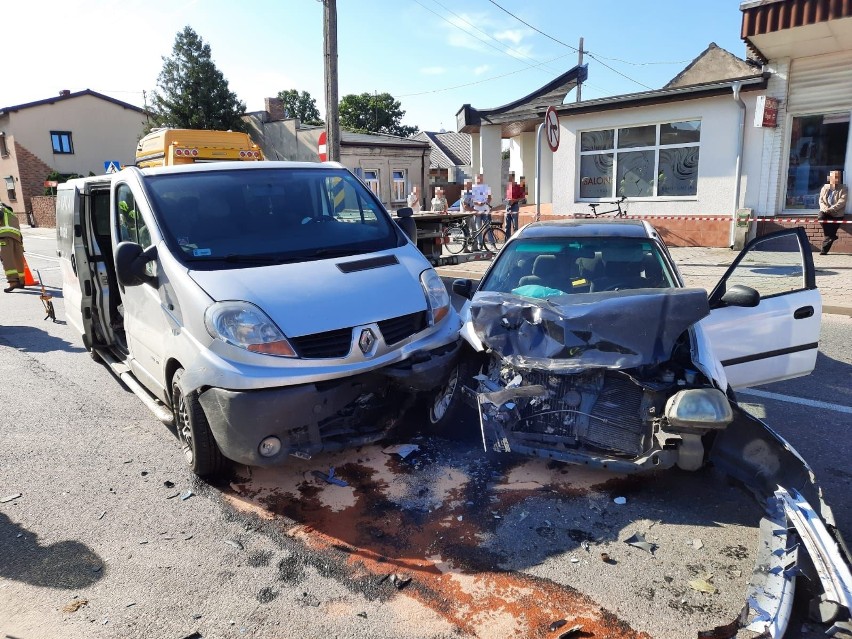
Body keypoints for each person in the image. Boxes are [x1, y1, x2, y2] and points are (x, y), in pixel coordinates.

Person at [818, 170, 847, 255]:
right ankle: (831, 236)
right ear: (829, 178)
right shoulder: (825, 187)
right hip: (826, 212)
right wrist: (825, 208)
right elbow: (821, 200)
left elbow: (842, 202)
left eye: (837, 177)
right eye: (834, 177)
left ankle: (824, 251)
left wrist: (831, 209)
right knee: (820, 216)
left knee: (830, 234)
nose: (835, 179)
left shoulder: (843, 188)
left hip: (837, 214)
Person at [0, 202, 26, 293]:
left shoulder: (1, 209)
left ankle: (13, 282)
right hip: (17, 238)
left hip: (5, 237)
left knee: (7, 260)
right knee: (17, 260)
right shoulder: (11, 214)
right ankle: (21, 281)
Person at [470, 174, 492, 250]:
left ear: (482, 179)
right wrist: (477, 203)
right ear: (475, 179)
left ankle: (492, 243)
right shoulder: (472, 188)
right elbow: (471, 200)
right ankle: (480, 244)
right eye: (477, 179)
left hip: (485, 210)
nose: (479, 180)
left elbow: (489, 198)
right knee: (478, 228)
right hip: (477, 210)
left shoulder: (486, 187)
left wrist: (486, 202)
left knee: (488, 227)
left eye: (480, 179)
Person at [504, 172, 523, 237]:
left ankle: (515, 240)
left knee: (515, 225)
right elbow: (505, 197)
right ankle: (507, 241)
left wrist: (514, 200)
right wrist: (507, 200)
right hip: (508, 206)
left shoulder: (518, 186)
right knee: (507, 226)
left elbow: (522, 198)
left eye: (510, 178)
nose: (508, 179)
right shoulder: (508, 187)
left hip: (515, 206)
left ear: (513, 178)